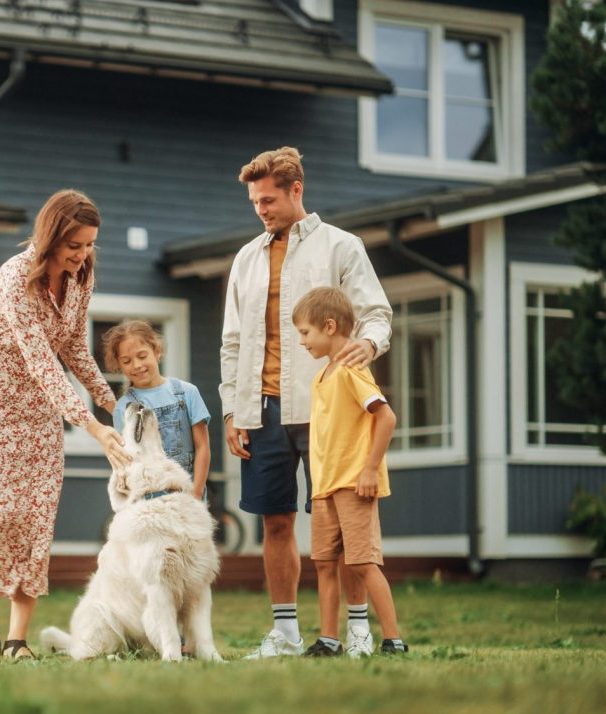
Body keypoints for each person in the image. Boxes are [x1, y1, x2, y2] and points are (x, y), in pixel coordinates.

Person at [0, 189, 130, 661]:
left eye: (88, 245)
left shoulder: (82, 277)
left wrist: (111, 403)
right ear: (51, 237)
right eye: (74, 246)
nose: (82, 256)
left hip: (38, 405)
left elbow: (73, 348)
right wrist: (93, 428)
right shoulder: (14, 278)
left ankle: (19, 638)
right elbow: (42, 361)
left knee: (35, 513)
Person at [220, 147, 393, 658]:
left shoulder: (342, 246)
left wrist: (372, 342)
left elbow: (376, 313)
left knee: (343, 527)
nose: (261, 209)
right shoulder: (245, 258)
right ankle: (286, 634)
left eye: (268, 199)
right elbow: (232, 341)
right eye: (254, 201)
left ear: (297, 190)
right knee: (275, 521)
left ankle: (356, 630)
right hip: (261, 410)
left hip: (330, 412)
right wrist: (233, 409)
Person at [292, 287, 407, 657]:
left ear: (329, 326)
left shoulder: (351, 369)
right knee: (325, 564)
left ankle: (393, 640)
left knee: (362, 563)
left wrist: (370, 469)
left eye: (305, 333)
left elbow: (386, 417)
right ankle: (328, 640)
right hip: (324, 486)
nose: (302, 341)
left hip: (354, 484)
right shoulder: (322, 376)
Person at [103, 320, 211, 501]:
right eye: (127, 361)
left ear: (157, 352)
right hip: (150, 499)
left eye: (142, 356)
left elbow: (202, 447)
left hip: (189, 493)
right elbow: (129, 461)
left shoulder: (187, 392)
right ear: (119, 366)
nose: (137, 365)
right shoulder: (124, 408)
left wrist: (197, 492)